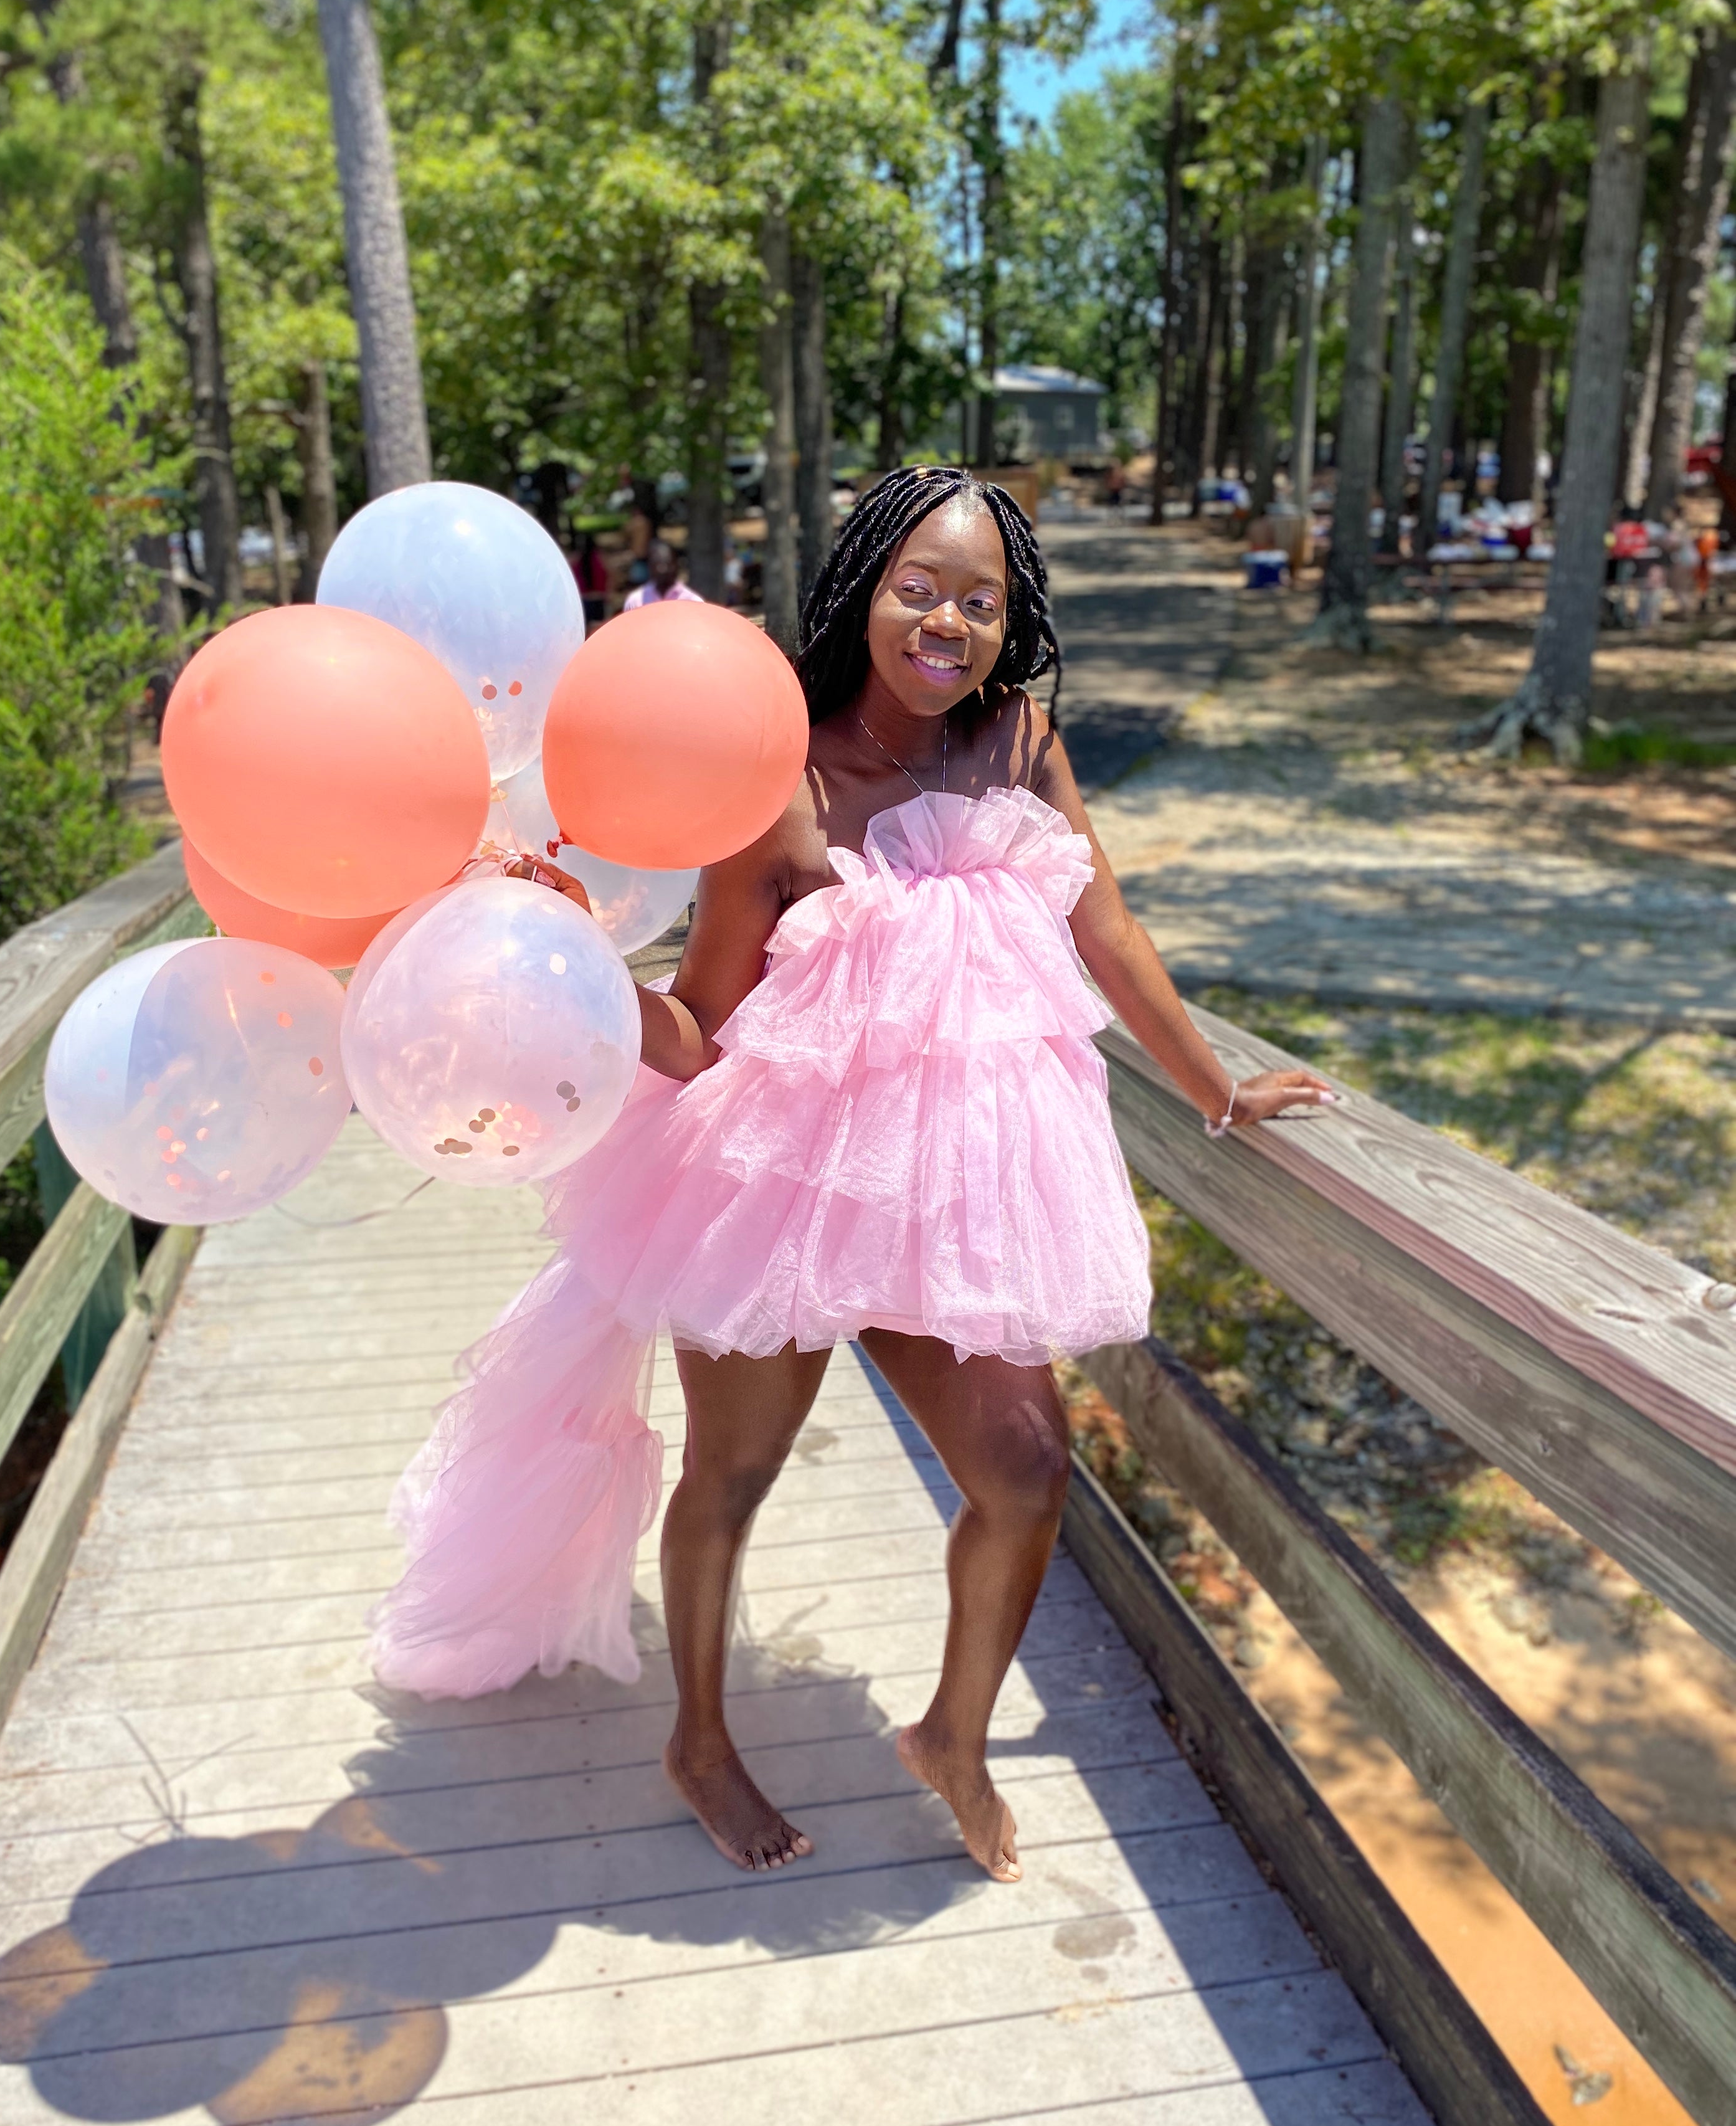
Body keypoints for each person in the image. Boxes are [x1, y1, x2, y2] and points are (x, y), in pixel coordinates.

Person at [375, 465, 1334, 1882]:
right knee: (738, 1471)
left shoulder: (1022, 746)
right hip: (780, 1185)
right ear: (863, 589)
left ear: (1012, 625)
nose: (949, 620)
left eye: (982, 600)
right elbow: (701, 1031)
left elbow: (1110, 933)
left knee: (1024, 1466)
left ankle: (956, 1734)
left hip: (960, 1201)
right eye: (920, 587)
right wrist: (581, 956)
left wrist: (1216, 1088)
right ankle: (698, 1742)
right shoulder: (779, 783)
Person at [622, 536, 701, 611]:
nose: (663, 570)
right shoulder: (636, 601)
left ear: (677, 565)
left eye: (668, 564)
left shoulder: (693, 601)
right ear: (650, 566)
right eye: (658, 565)